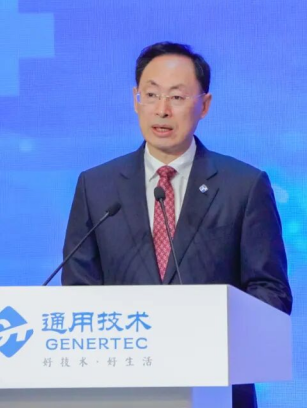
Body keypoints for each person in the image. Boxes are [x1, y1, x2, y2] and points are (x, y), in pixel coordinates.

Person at [62, 42, 292, 408]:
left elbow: (271, 293)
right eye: (151, 95)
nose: (162, 110)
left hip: (215, 387)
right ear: (135, 99)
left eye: (177, 97)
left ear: (205, 105)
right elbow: (78, 290)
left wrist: (211, 329)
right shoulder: (97, 186)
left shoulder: (243, 186)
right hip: (122, 388)